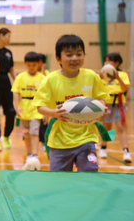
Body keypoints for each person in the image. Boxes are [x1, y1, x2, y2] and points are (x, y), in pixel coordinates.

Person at [33, 35, 109, 172]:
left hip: (86, 138)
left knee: (89, 173)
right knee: (59, 180)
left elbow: (101, 97)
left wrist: (100, 108)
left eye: (79, 54)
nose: (75, 58)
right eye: (69, 55)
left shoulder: (91, 77)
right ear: (58, 58)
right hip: (59, 141)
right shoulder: (50, 80)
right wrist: (53, 113)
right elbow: (40, 106)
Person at [12, 52, 45, 170]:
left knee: (35, 131)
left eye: (34, 65)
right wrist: (17, 106)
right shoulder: (20, 77)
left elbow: (46, 95)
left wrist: (46, 111)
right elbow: (16, 92)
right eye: (29, 65)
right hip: (24, 109)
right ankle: (29, 153)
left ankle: (35, 155)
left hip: (36, 109)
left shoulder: (42, 78)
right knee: (26, 133)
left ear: (38, 65)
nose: (31, 68)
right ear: (26, 64)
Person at [98, 53, 131, 163]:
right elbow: (97, 89)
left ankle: (126, 151)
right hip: (106, 104)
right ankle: (103, 148)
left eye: (109, 61)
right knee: (107, 127)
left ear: (117, 63)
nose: (106, 63)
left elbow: (124, 89)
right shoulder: (102, 75)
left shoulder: (122, 74)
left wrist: (117, 77)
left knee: (120, 127)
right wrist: (99, 78)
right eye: (105, 61)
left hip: (119, 103)